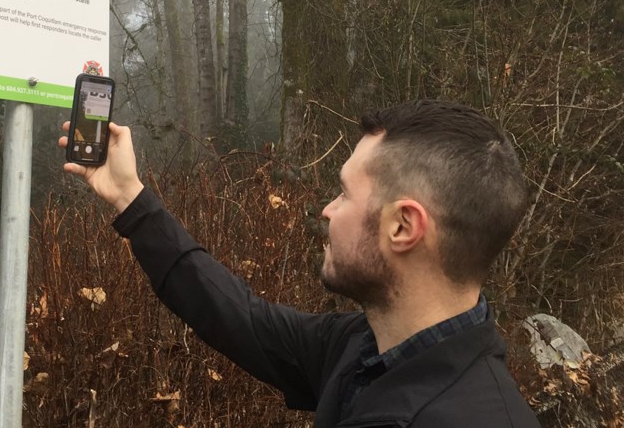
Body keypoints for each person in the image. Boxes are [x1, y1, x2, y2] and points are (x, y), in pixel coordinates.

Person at [59, 99, 540, 427]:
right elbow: (239, 317)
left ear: (403, 227)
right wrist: (129, 197)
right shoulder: (364, 348)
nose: (328, 209)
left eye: (344, 193)